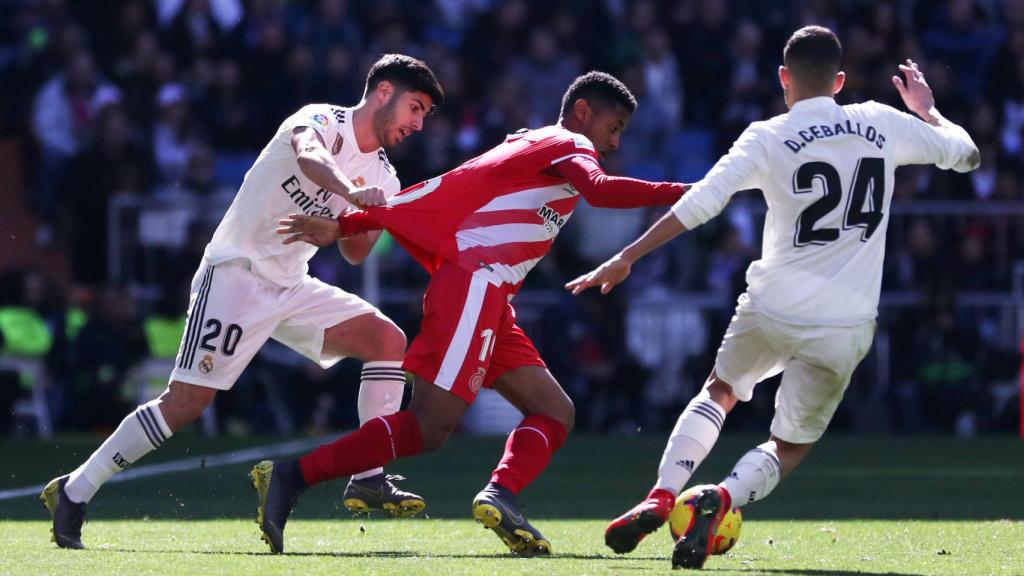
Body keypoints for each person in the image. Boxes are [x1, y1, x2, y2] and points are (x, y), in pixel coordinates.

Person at [565, 26, 980, 570]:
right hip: (845, 323)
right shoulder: (883, 123)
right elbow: (968, 155)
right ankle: (725, 497)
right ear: (839, 80)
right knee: (789, 443)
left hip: (772, 307)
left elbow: (702, 203)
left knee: (720, 391)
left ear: (784, 78)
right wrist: (928, 111)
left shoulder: (766, 135)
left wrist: (629, 256)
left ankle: (662, 495)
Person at [256, 71, 689, 555]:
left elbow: (446, 190)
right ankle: (291, 477)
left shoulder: (534, 143)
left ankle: (501, 494)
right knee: (427, 427)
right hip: (474, 285)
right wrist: (690, 191)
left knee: (554, 411)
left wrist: (346, 225)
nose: (613, 141)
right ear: (584, 112)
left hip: (490, 297)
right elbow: (601, 191)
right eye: (614, 126)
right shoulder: (568, 143)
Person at [41, 54, 445, 550]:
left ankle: (368, 474)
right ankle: (74, 491)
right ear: (383, 92)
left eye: (424, 115)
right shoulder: (319, 119)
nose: (418, 125)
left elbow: (355, 253)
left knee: (387, 339)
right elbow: (308, 157)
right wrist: (351, 194)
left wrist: (365, 221)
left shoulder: (385, 176)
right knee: (186, 403)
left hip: (292, 283)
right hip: (235, 273)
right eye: (415, 108)